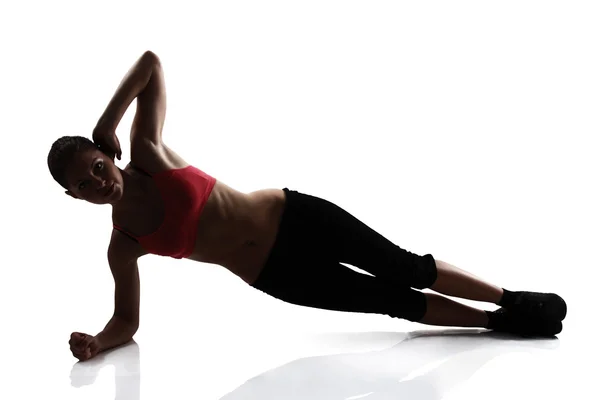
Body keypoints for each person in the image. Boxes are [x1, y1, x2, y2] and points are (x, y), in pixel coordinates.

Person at [48, 51, 567, 362]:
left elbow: (151, 63)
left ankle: (511, 297)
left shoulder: (147, 152)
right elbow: (126, 321)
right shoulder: (124, 246)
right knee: (396, 302)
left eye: (96, 166)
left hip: (293, 216)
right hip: (277, 275)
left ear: (104, 155)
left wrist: (108, 120)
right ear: (74, 198)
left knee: (406, 268)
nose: (98, 181)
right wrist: (99, 340)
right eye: (84, 185)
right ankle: (493, 325)